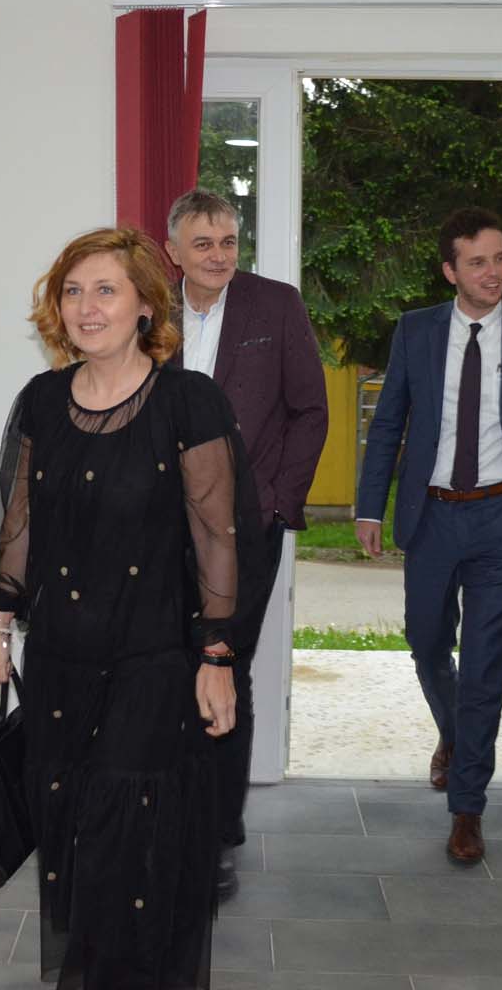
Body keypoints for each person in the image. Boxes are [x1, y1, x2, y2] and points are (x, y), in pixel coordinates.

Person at [0, 225, 272, 989]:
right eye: (72, 291)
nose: (86, 307)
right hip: (60, 660)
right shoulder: (41, 402)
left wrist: (217, 656)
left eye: (105, 290)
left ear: (145, 304)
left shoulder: (188, 402)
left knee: (131, 834)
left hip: (153, 661)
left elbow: (219, 538)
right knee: (72, 831)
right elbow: (19, 525)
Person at [353, 206, 502, 864]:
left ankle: (467, 806)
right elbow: (388, 423)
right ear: (450, 270)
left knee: (485, 668)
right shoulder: (416, 330)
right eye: (477, 262)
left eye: (500, 258)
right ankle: (454, 733)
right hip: (431, 517)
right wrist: (370, 508)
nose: (493, 272)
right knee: (425, 642)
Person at [163, 188, 329, 902]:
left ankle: (217, 835)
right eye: (202, 243)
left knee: (224, 667)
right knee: (163, 671)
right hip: (157, 527)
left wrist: (276, 502)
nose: (218, 256)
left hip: (245, 528)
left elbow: (310, 410)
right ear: (173, 251)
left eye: (228, 241)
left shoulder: (276, 306)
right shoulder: (149, 309)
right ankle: (166, 821)